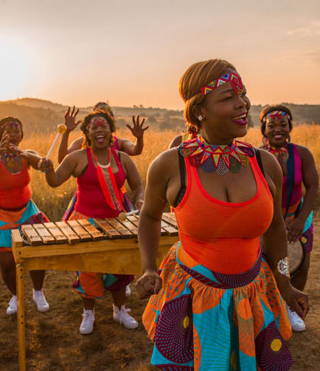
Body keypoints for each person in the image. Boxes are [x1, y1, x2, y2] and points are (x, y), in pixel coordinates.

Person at [136, 59, 309, 370]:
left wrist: (284, 284)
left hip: (253, 294)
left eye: (242, 94)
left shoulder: (265, 163)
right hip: (195, 297)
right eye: (229, 97)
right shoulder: (170, 165)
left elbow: (275, 231)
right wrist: (149, 268)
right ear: (199, 109)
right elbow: (149, 216)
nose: (243, 103)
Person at [39, 109, 144, 335]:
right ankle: (88, 313)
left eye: (103, 126)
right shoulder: (76, 157)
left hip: (118, 221)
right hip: (85, 223)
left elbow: (138, 186)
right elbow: (55, 181)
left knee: (121, 267)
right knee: (89, 269)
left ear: (110, 131)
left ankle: (120, 309)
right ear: (87, 131)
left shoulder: (122, 158)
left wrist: (141, 200)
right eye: (94, 126)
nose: (99, 129)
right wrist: (48, 170)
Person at [0, 117, 50, 315]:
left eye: (17, 131)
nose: (13, 135)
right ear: (0, 135)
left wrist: (38, 160)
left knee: (36, 256)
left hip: (27, 213)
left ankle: (38, 292)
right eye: (8, 131)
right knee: (6, 264)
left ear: (22, 135)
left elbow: (41, 165)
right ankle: (16, 296)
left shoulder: (27, 155)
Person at [260, 105, 318, 332]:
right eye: (272, 125)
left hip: (297, 218)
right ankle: (270, 309)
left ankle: (294, 311)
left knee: (299, 264)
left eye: (283, 125)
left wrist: (299, 220)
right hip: (267, 222)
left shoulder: (302, 154)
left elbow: (313, 187)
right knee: (267, 265)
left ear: (290, 126)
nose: (278, 130)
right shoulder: (256, 155)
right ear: (264, 128)